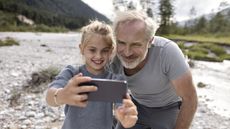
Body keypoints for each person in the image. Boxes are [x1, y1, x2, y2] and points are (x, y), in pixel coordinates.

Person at [110, 10, 198, 129]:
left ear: (150, 41)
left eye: (136, 44)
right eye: (121, 43)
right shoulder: (111, 55)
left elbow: (190, 98)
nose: (127, 52)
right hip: (136, 104)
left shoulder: (167, 52)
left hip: (168, 108)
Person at [46, 20, 138, 129]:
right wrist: (61, 95)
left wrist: (127, 117)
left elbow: (122, 105)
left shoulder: (115, 79)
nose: (98, 56)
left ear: (111, 51)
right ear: (82, 49)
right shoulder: (72, 73)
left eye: (104, 50)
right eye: (92, 50)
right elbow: (50, 97)